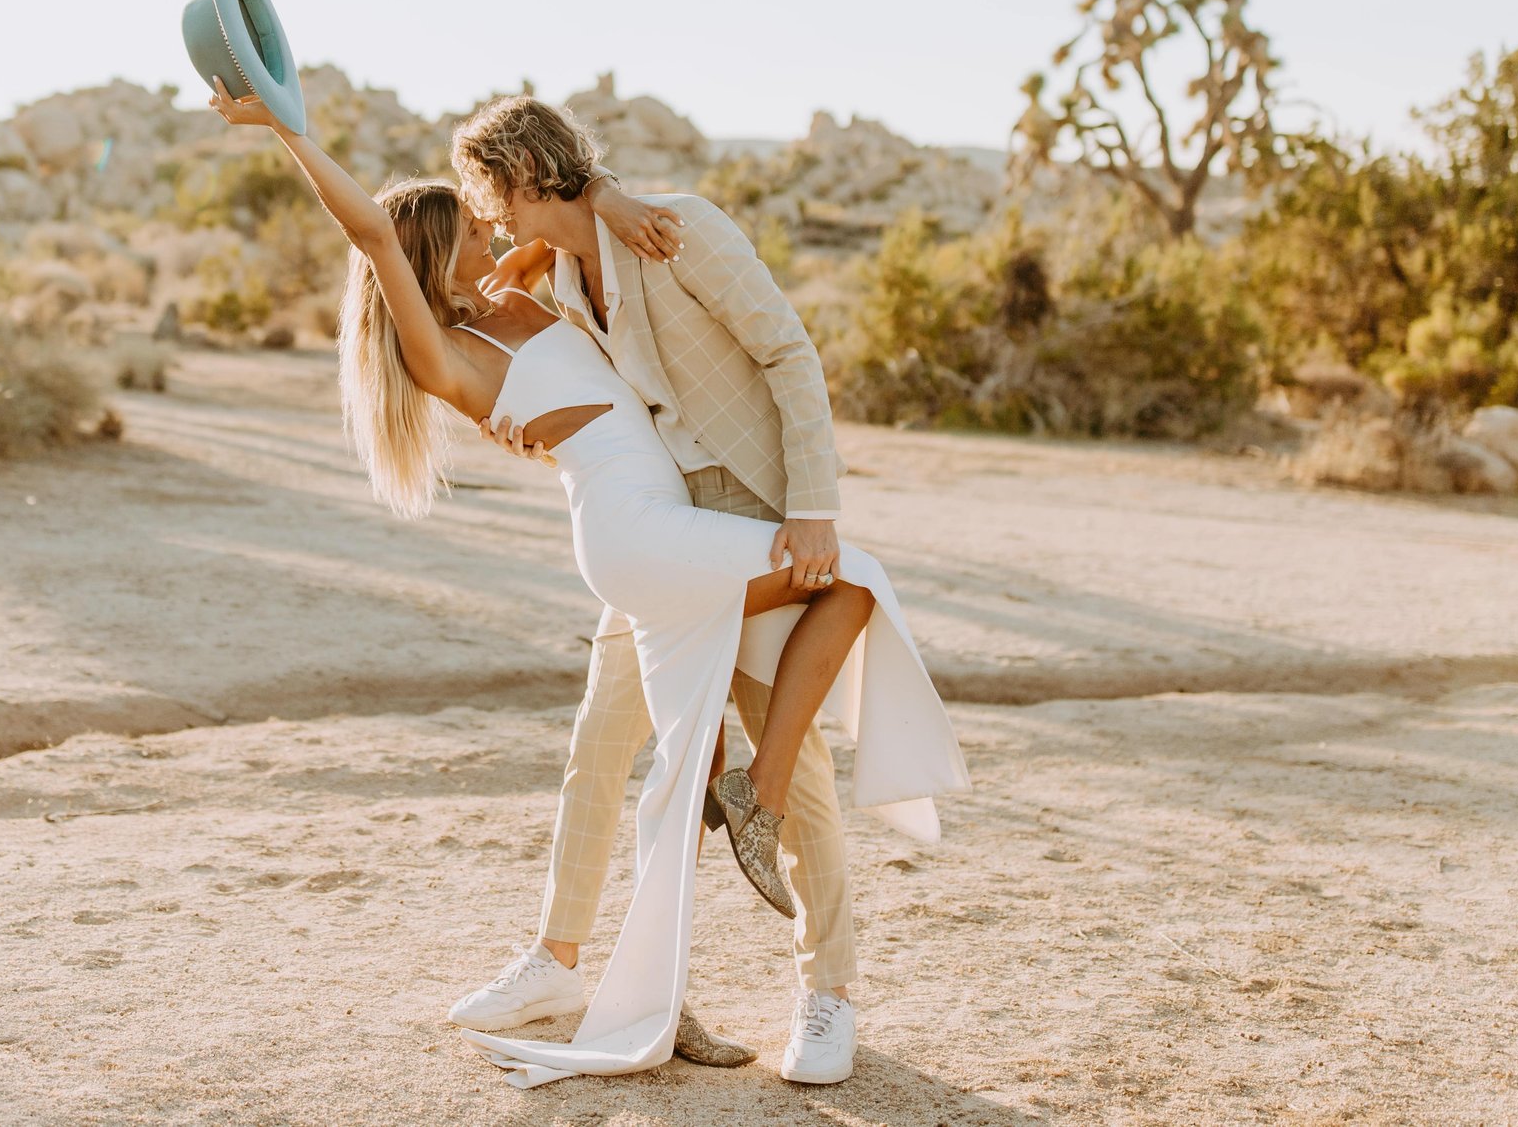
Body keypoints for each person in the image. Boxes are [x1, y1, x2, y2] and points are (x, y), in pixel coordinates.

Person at [205, 78, 968, 1091]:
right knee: (797, 627)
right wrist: (284, 129)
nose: (487, 235)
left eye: (491, 212)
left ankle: (778, 970)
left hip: (711, 514)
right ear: (434, 262)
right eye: (468, 234)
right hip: (642, 541)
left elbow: (733, 319)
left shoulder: (549, 274)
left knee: (645, 761)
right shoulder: (456, 341)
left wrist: (601, 195)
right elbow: (376, 236)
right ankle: (633, 902)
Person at [442, 95, 929, 1085]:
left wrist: (816, 509)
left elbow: (789, 352)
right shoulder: (569, 265)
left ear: (526, 175)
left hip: (754, 517)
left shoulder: (679, 227)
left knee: (792, 785)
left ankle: (825, 995)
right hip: (656, 529)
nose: (483, 212)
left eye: (488, 189)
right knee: (596, 744)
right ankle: (556, 963)